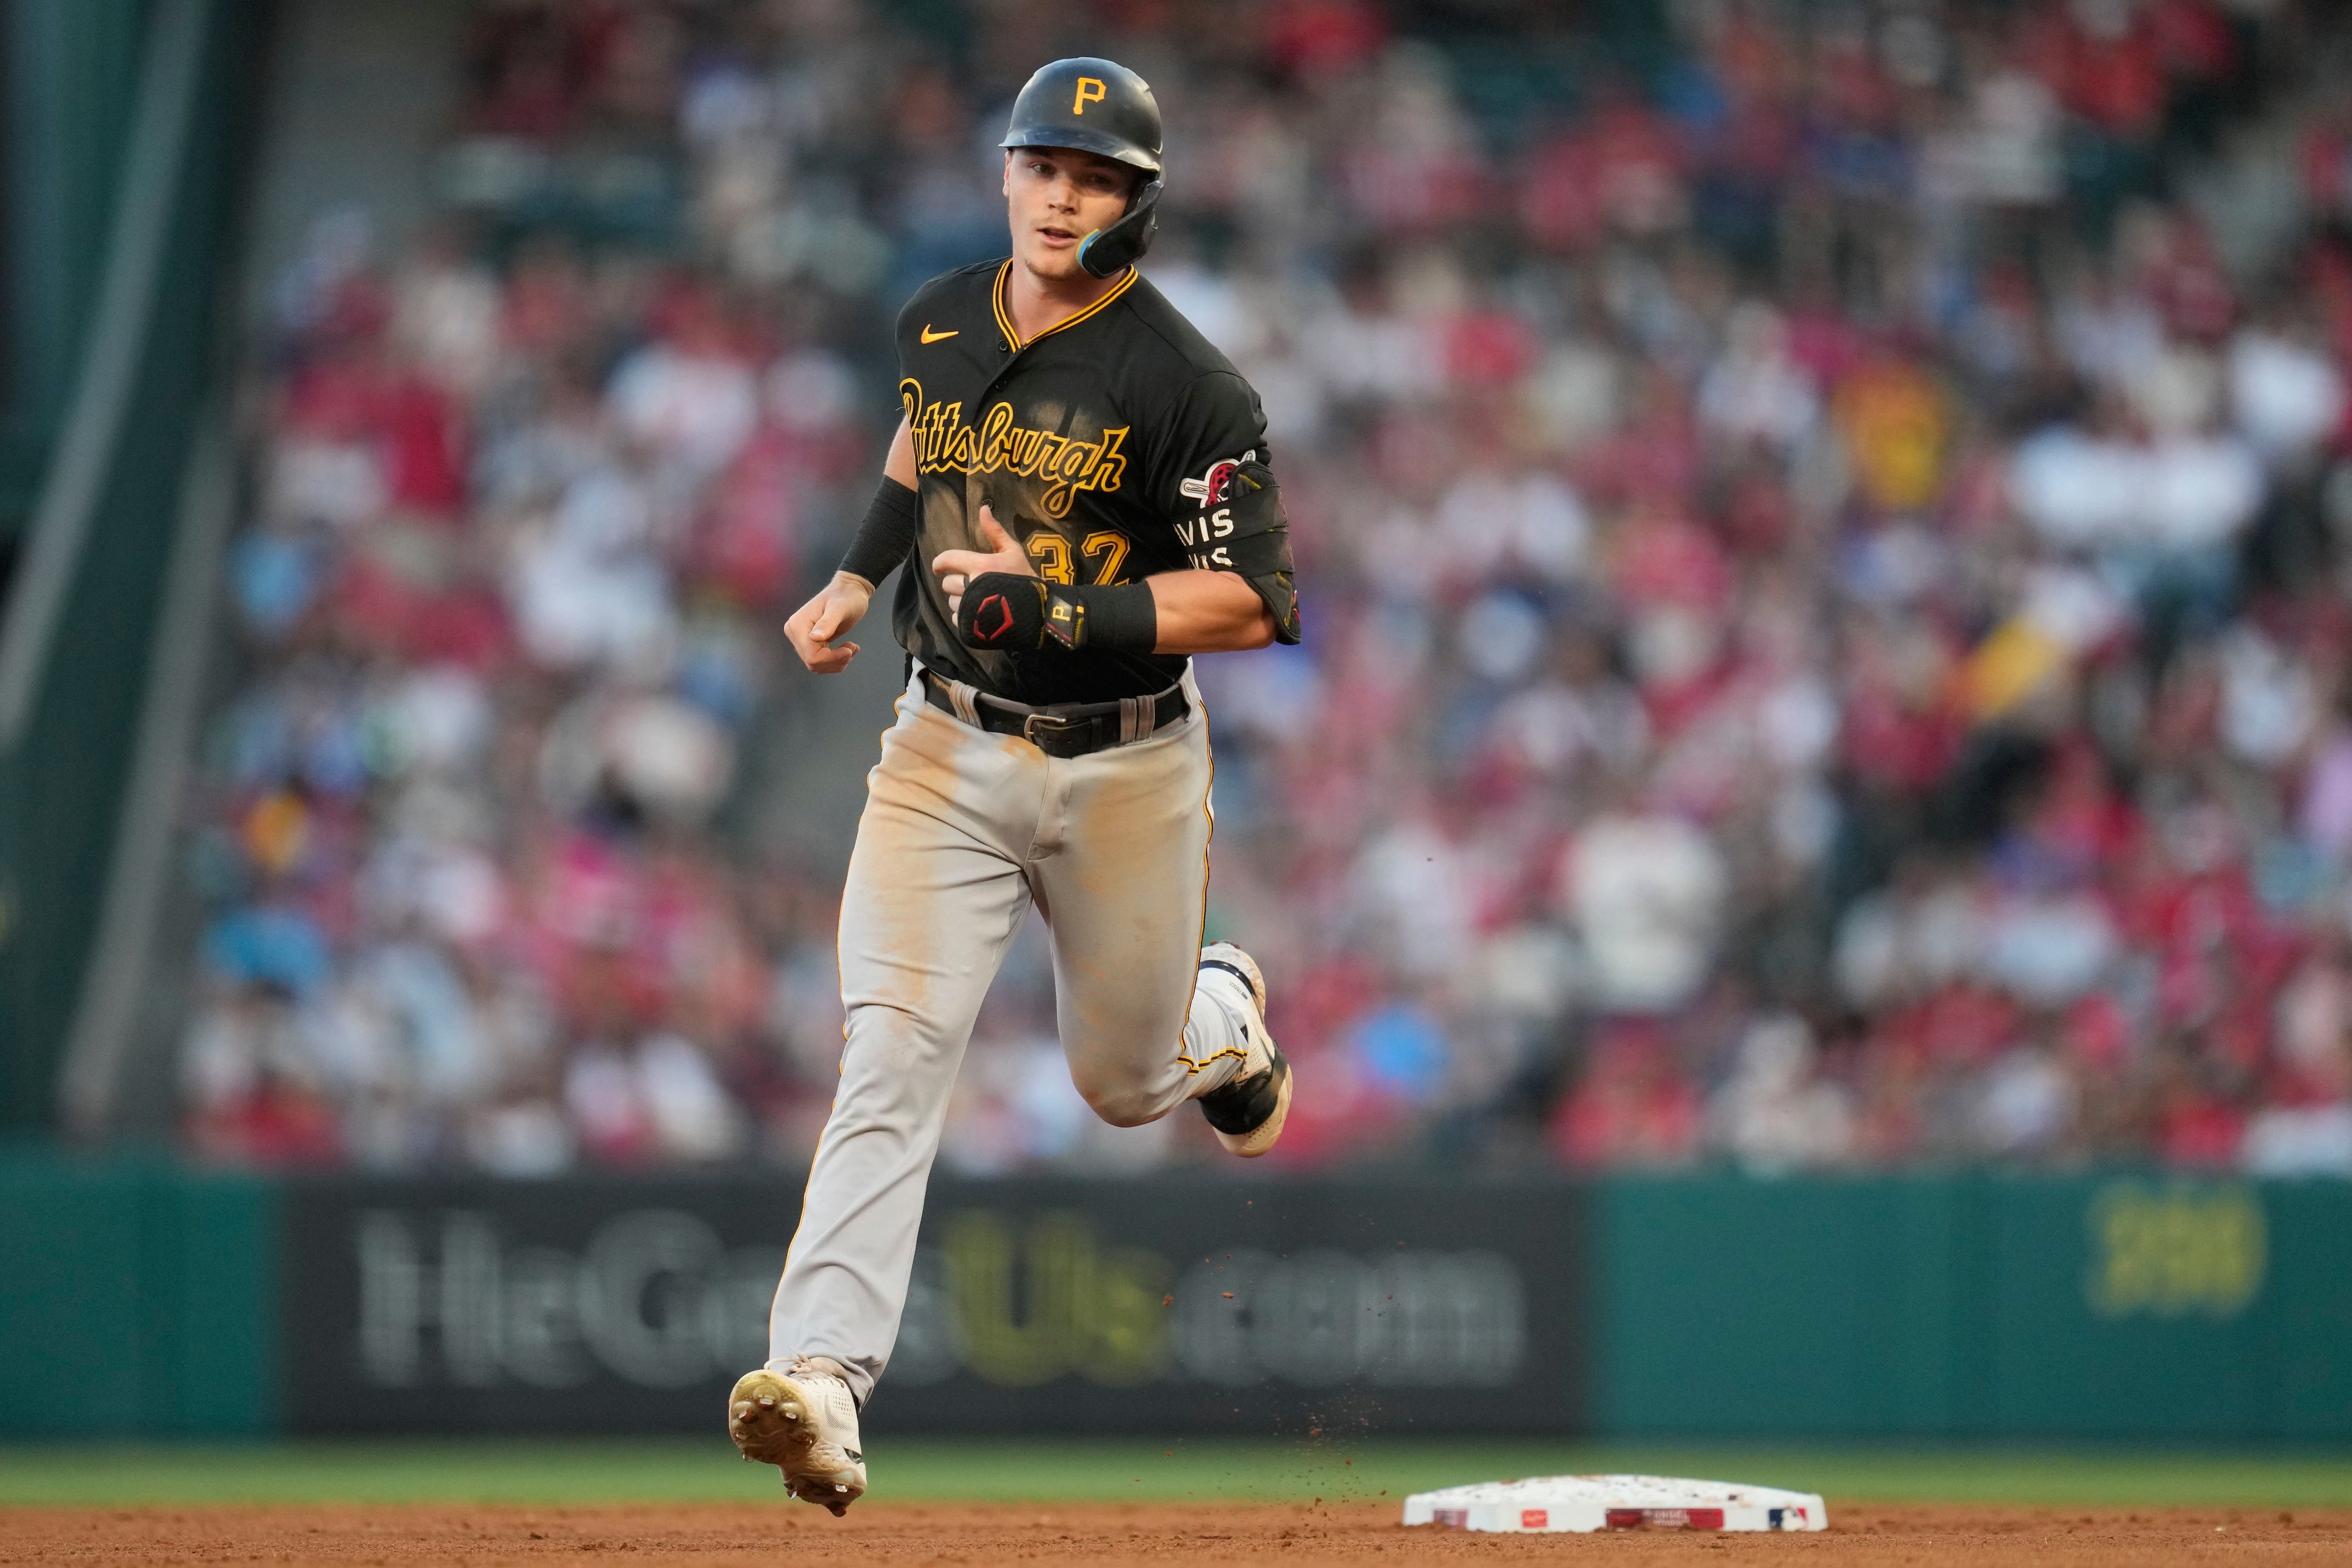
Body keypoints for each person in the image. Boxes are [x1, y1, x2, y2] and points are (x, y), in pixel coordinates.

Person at [724, 57, 1302, 1514]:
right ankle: (823, 1384)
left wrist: (1062, 615)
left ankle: (1220, 1018)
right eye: (1047, 165)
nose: (1064, 194)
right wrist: (860, 573)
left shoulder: (1185, 380)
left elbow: (1251, 602)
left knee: (1121, 1085)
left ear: (1137, 206)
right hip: (945, 748)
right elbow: (928, 439)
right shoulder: (935, 313)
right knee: (894, 1048)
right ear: (1007, 173)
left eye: (1098, 178)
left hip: (1128, 764)